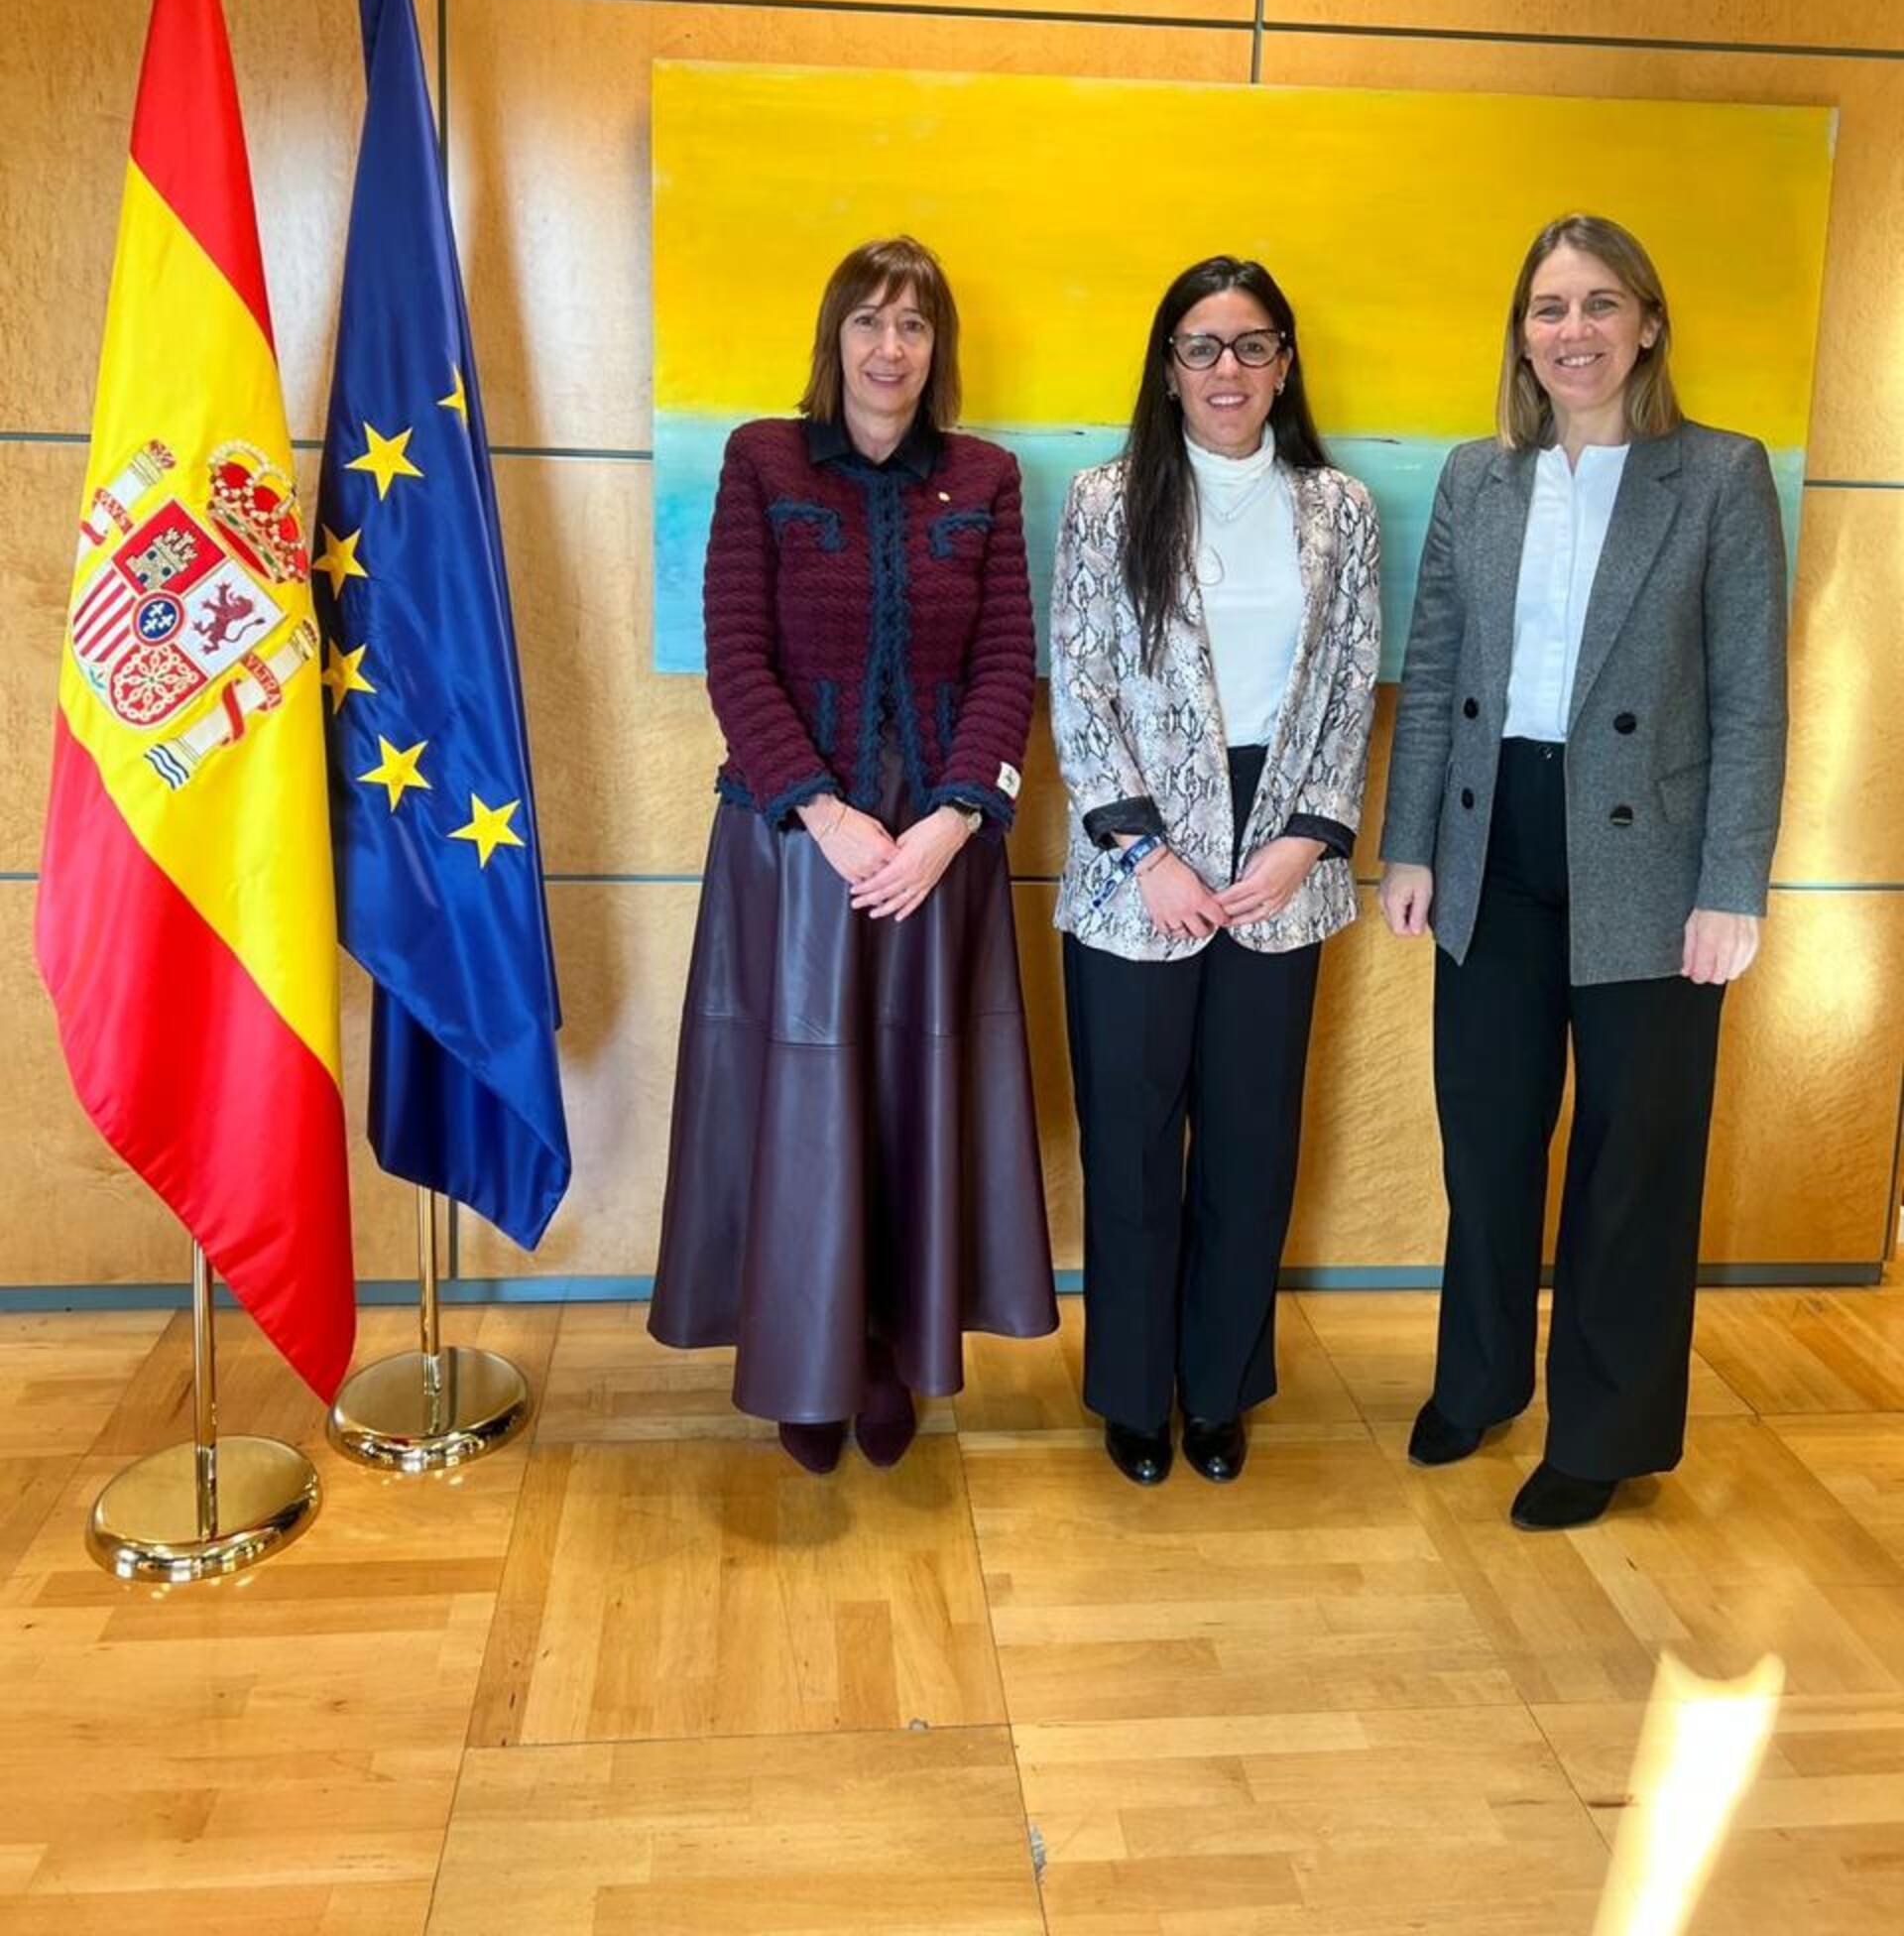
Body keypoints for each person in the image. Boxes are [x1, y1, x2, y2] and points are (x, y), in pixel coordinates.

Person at [1378, 212, 1787, 1530]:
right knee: (1487, 1137)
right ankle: (1480, 1381)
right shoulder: (1474, 477)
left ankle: (1602, 1433)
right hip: (1495, 844)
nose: (1574, 332)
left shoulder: (1719, 477)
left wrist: (1732, 883)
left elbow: (1749, 701)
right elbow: (1434, 672)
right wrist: (1412, 845)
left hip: (1655, 870)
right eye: (1550, 309)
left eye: (1600, 305)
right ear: (1523, 333)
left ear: (1647, 323)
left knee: (1634, 1161)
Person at [649, 236, 1057, 1473]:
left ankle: (888, 1349)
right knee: (807, 1112)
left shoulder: (984, 477)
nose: (892, 348)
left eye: (916, 327)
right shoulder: (762, 459)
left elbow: (1006, 667)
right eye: (871, 323)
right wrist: (828, 816)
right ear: (835, 339)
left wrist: (945, 822)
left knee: (912, 1104)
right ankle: (804, 1367)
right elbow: (736, 659)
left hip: (941, 848)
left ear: (940, 351)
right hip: (795, 847)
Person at [1049, 256, 1380, 1486]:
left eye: (1251, 346)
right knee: (1132, 1147)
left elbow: (1351, 682)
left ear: (1285, 363)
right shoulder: (1104, 498)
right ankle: (1136, 1394)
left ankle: (1222, 1389)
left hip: (1280, 866)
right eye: (1202, 345)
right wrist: (1145, 852)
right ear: (1168, 365)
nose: (1227, 370)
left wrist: (1304, 841)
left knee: (1249, 1145)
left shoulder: (1338, 508)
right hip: (1133, 872)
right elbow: (1077, 684)